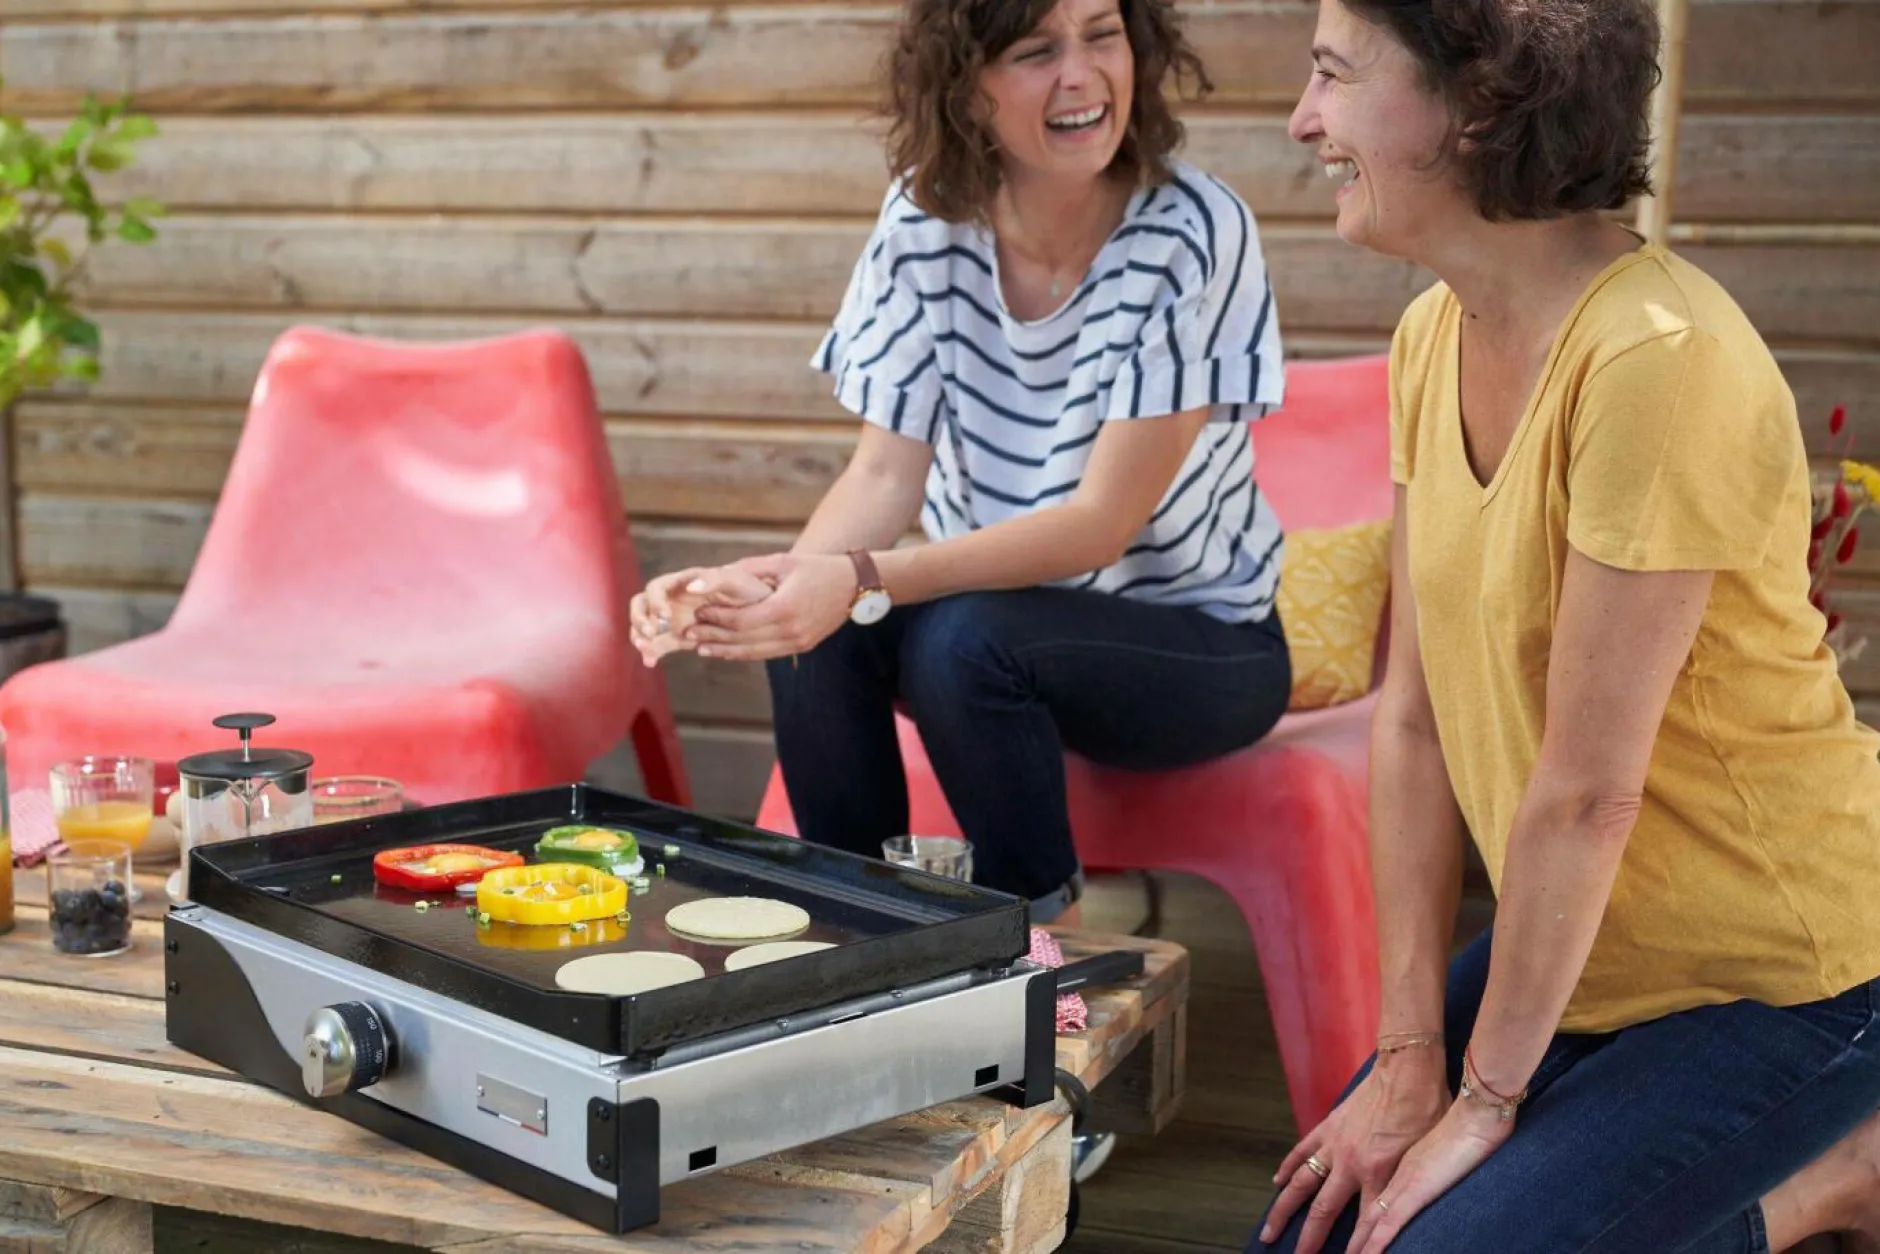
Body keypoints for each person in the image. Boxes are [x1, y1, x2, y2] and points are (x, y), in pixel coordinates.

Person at [1253, 0, 1880, 1251]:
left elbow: (1585, 795)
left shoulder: (1660, 361)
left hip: (1791, 975)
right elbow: (1416, 729)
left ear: (1477, 106)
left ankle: (1836, 1175)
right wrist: (1407, 1058)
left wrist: (1481, 1103)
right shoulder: (1432, 333)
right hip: (1589, 953)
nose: (1301, 119)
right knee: (1304, 1238)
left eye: (1331, 76)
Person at [630, 0, 1294, 929]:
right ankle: (848, 924)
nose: (1081, 74)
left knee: (956, 634)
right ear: (965, 88)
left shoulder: (1192, 230)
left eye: (1103, 34)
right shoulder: (924, 220)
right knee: (820, 631)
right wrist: (764, 590)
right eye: (1035, 51)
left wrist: (852, 577)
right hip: (997, 633)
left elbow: (1097, 526)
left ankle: (1030, 940)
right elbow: (882, 478)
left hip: (1203, 652)